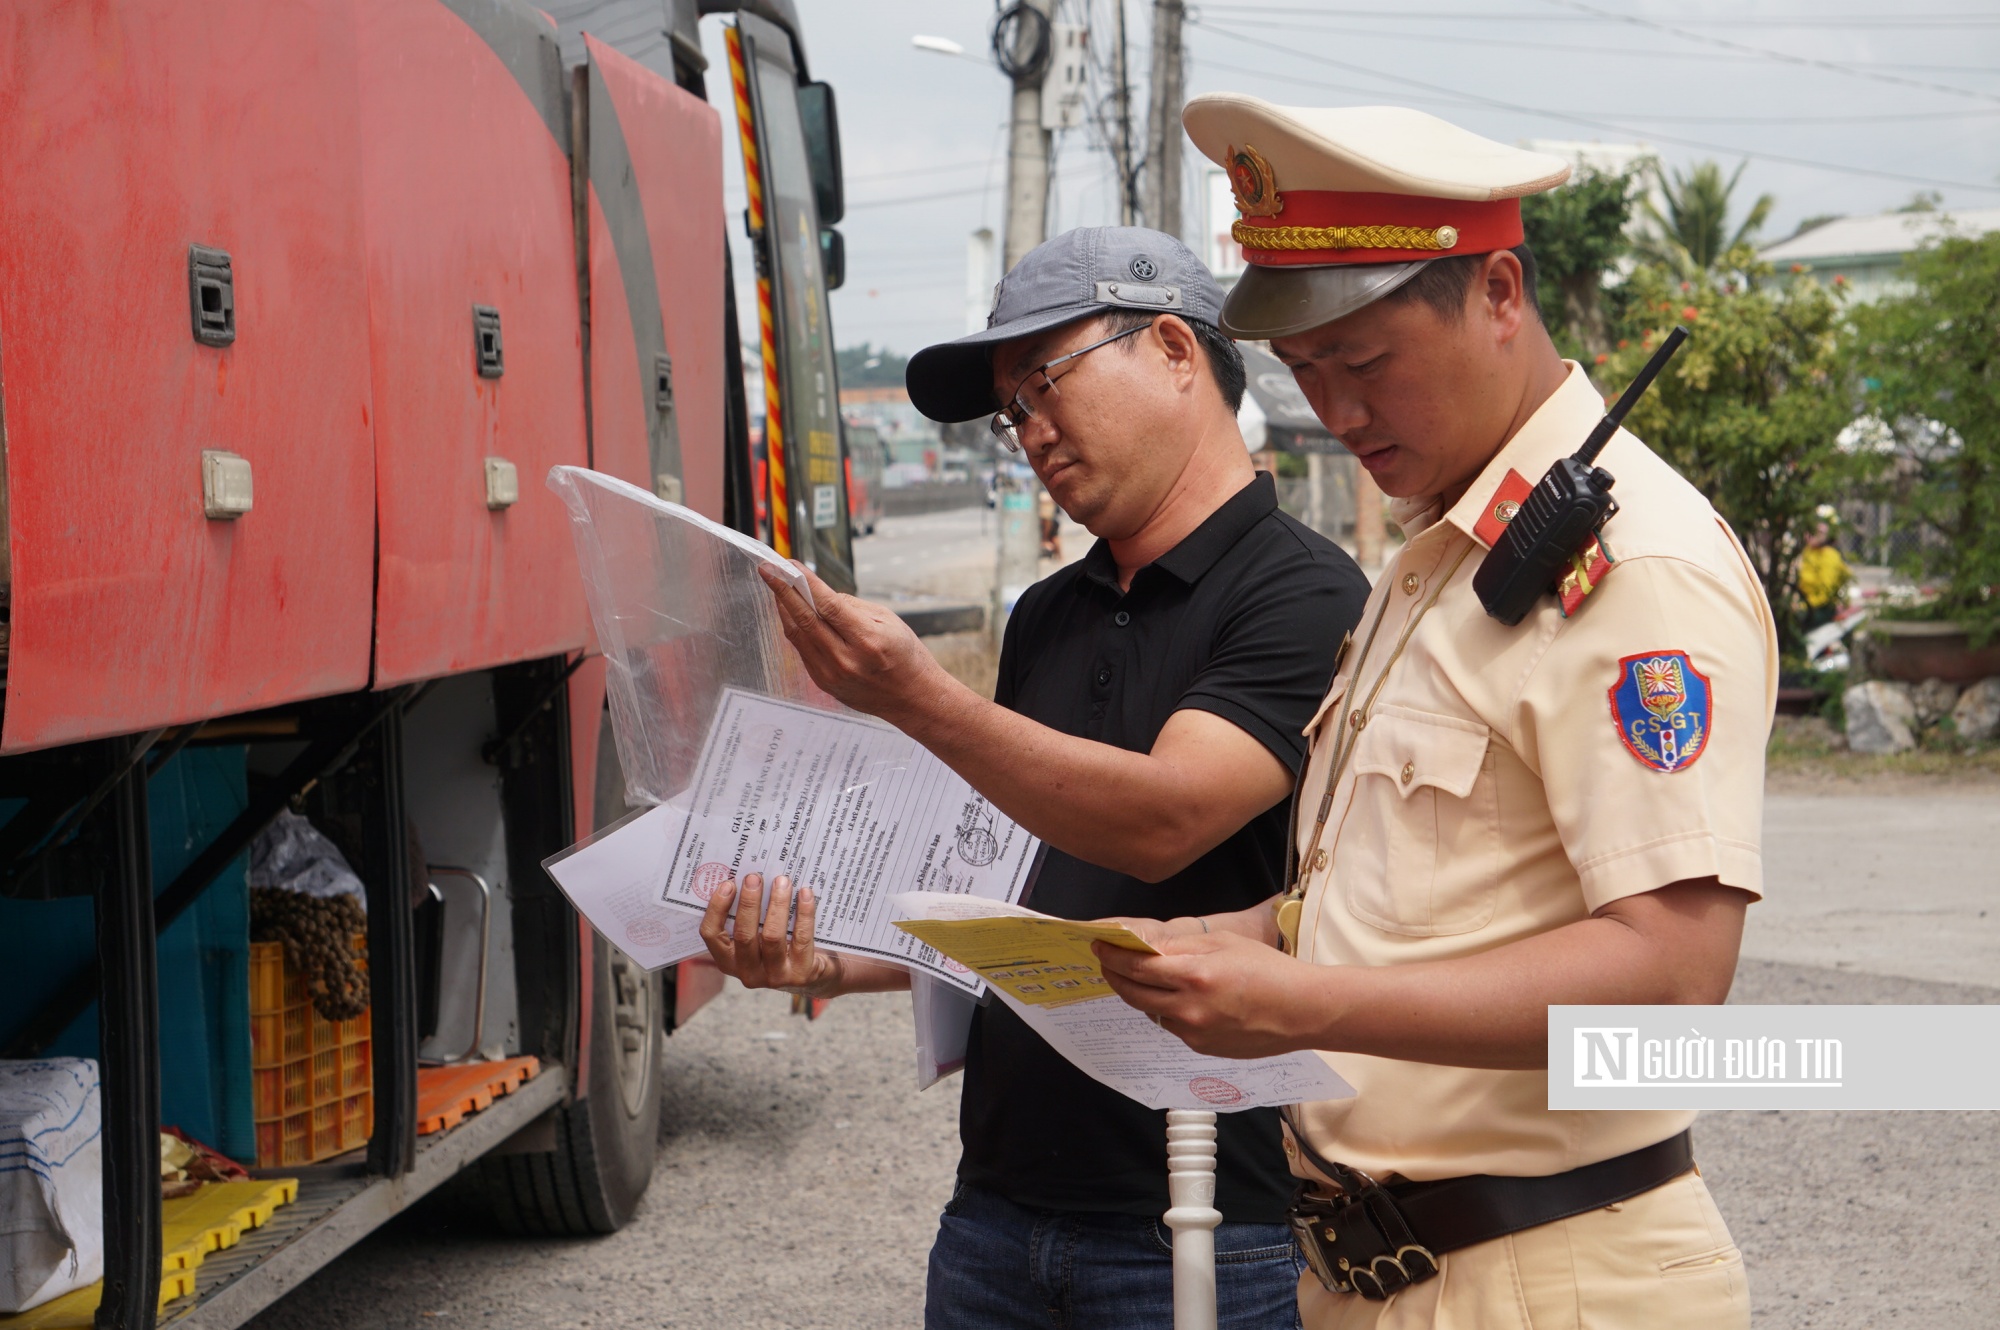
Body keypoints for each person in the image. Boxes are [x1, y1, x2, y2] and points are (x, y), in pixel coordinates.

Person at [1093, 97, 1774, 1328]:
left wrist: (1301, 1005)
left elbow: (1673, 973)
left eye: (1365, 363)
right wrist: (1233, 939)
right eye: (1306, 374)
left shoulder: (1631, 567)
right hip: (1381, 1275)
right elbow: (1410, 902)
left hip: (1550, 1275)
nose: (1340, 414)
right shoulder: (1444, 554)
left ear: (1500, 292)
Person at [697, 226, 1371, 1329]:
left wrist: (918, 694)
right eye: (1010, 410)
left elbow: (1163, 821)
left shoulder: (1302, 592)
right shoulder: (1046, 615)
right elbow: (1020, 902)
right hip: (997, 1215)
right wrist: (827, 957)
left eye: (1043, 384)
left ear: (1170, 348)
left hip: (1207, 1215)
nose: (1028, 432)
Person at [1798, 518, 1851, 632]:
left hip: (1823, 607)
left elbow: (1825, 591)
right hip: (1808, 602)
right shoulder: (1809, 551)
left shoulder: (1829, 555)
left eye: (1817, 532)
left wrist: (1805, 606)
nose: (1810, 536)